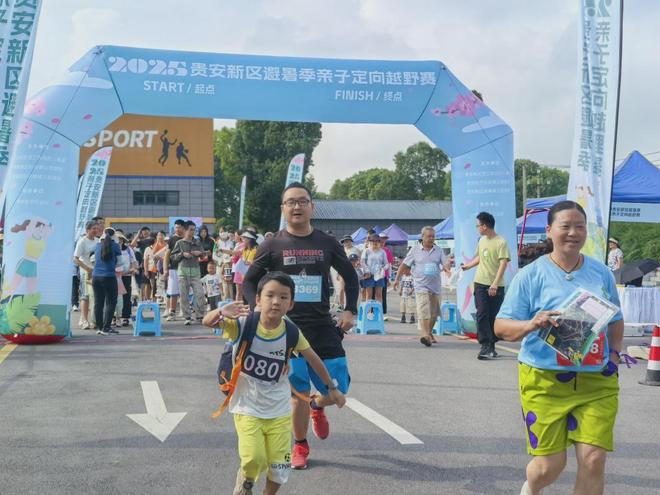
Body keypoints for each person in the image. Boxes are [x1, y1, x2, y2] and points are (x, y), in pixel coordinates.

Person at [494, 200, 624, 495]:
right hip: (544, 379)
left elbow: (615, 319)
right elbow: (500, 327)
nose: (573, 233)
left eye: (580, 227)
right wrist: (532, 323)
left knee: (593, 460)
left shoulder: (601, 273)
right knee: (549, 466)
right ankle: (531, 487)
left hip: (596, 380)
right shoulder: (530, 275)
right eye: (565, 226)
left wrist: (615, 355)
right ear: (549, 231)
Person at [242, 182, 358, 470]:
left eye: (302, 201)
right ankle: (300, 445)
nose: (296, 206)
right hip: (287, 330)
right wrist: (256, 307)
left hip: (323, 326)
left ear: (311, 207)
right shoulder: (272, 245)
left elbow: (350, 275)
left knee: (339, 389)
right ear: (283, 208)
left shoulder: (327, 242)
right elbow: (249, 281)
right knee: (298, 393)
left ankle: (318, 406)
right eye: (290, 202)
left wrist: (350, 309)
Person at [203, 272, 345, 494]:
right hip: (247, 407)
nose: (276, 301)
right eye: (270, 295)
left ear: (291, 304)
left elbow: (313, 359)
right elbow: (207, 322)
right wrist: (220, 312)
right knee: (254, 459)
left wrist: (332, 388)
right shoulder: (243, 324)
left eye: (283, 297)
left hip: (278, 409)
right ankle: (246, 481)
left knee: (279, 468)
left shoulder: (291, 332)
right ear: (258, 299)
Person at [461, 211, 511, 360]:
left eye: (477, 225)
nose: (477, 228)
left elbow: (503, 263)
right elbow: (480, 258)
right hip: (480, 282)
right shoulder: (482, 240)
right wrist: (467, 266)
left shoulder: (501, 242)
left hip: (496, 285)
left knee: (493, 316)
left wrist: (495, 283)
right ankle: (485, 345)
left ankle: (491, 345)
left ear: (484, 226)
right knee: (482, 313)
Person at [394, 226, 448, 347]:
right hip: (420, 286)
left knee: (434, 314)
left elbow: (445, 262)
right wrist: (397, 279)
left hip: (435, 287)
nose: (431, 238)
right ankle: (425, 335)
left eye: (433, 236)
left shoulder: (438, 250)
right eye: (429, 236)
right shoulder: (415, 250)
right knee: (424, 310)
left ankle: (429, 333)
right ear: (422, 237)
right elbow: (404, 265)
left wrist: (447, 267)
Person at [170, 221, 206, 325]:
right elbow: (172, 256)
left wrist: (200, 253)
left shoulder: (197, 242)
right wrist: (182, 254)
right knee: (184, 296)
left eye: (194, 230)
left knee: (200, 294)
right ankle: (187, 317)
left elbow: (203, 255)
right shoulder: (179, 243)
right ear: (185, 230)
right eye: (191, 230)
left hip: (195, 272)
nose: (193, 232)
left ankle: (200, 316)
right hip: (183, 272)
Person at [92, 228, 121, 336]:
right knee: (111, 302)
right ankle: (106, 327)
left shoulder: (97, 246)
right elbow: (120, 262)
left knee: (98, 303)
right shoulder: (115, 246)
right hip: (109, 276)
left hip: (96, 276)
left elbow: (93, 259)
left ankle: (99, 327)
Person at [73, 220, 99, 330]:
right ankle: (84, 319)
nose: (96, 230)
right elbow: (75, 258)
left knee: (95, 296)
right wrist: (87, 269)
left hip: (96, 271)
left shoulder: (98, 241)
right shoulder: (82, 241)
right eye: (93, 229)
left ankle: (94, 320)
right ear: (87, 230)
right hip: (85, 271)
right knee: (85, 296)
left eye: (97, 228)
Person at [164, 219, 185, 321]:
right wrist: (165, 269)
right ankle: (172, 312)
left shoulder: (188, 238)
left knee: (185, 292)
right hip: (173, 269)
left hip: (186, 268)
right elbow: (167, 255)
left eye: (179, 227)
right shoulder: (171, 239)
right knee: (173, 292)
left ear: (183, 228)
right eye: (176, 227)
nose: (177, 229)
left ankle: (184, 311)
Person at [360, 234, 389, 304]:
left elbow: (387, 264)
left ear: (379, 242)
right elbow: (362, 262)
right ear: (370, 242)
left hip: (379, 276)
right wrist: (367, 271)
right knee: (369, 295)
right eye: (373, 241)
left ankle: (379, 310)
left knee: (379, 295)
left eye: (377, 241)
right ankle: (369, 310)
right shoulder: (366, 251)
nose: (375, 242)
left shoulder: (382, 252)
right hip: (369, 275)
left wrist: (383, 269)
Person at [214, 231, 235, 301]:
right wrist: (220, 262)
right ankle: (223, 301)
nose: (223, 233)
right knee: (222, 284)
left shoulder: (232, 242)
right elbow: (214, 254)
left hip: (230, 264)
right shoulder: (217, 243)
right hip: (220, 265)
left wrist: (230, 261)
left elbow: (233, 253)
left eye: (224, 231)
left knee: (230, 284)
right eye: (221, 232)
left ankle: (231, 300)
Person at [378, 232, 394, 319]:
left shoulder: (387, 250)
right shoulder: (372, 249)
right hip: (373, 275)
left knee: (382, 295)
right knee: (372, 295)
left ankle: (382, 313)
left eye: (384, 239)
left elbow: (389, 265)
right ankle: (371, 313)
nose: (383, 241)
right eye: (381, 239)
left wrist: (388, 278)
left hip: (383, 276)